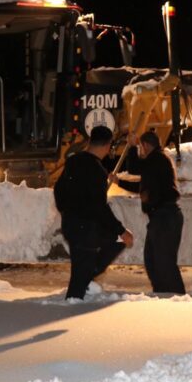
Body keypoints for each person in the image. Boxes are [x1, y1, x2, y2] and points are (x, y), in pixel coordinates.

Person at [53, 125, 134, 299]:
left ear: (90, 141)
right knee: (80, 276)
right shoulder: (97, 171)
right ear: (107, 146)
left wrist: (67, 210)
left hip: (72, 224)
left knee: (111, 244)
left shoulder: (73, 162)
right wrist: (121, 230)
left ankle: (85, 283)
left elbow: (58, 190)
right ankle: (73, 305)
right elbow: (99, 207)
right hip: (86, 229)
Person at [119, 130, 185, 294]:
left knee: (164, 262)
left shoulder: (157, 159)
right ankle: (161, 293)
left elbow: (134, 168)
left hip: (165, 217)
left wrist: (132, 146)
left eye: (141, 147)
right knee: (152, 260)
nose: (140, 151)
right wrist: (118, 181)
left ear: (146, 146)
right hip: (160, 218)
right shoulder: (156, 163)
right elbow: (143, 187)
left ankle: (178, 297)